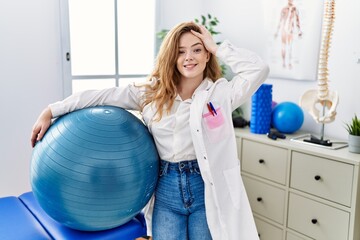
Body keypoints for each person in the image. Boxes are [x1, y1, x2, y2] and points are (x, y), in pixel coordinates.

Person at [31, 22, 269, 240]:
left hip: (205, 189)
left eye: (197, 50)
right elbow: (101, 96)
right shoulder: (151, 93)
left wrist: (217, 47)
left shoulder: (220, 94)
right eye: (180, 51)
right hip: (166, 189)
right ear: (171, 56)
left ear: (207, 54)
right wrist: (52, 110)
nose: (189, 57)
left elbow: (258, 69)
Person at [274, 0, 302, 69]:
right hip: (284, 30)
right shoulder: (284, 9)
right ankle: (283, 62)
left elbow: (297, 21)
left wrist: (299, 30)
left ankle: (289, 62)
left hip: (290, 30)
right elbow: (280, 20)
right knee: (283, 46)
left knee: (290, 47)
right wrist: (277, 32)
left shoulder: (295, 10)